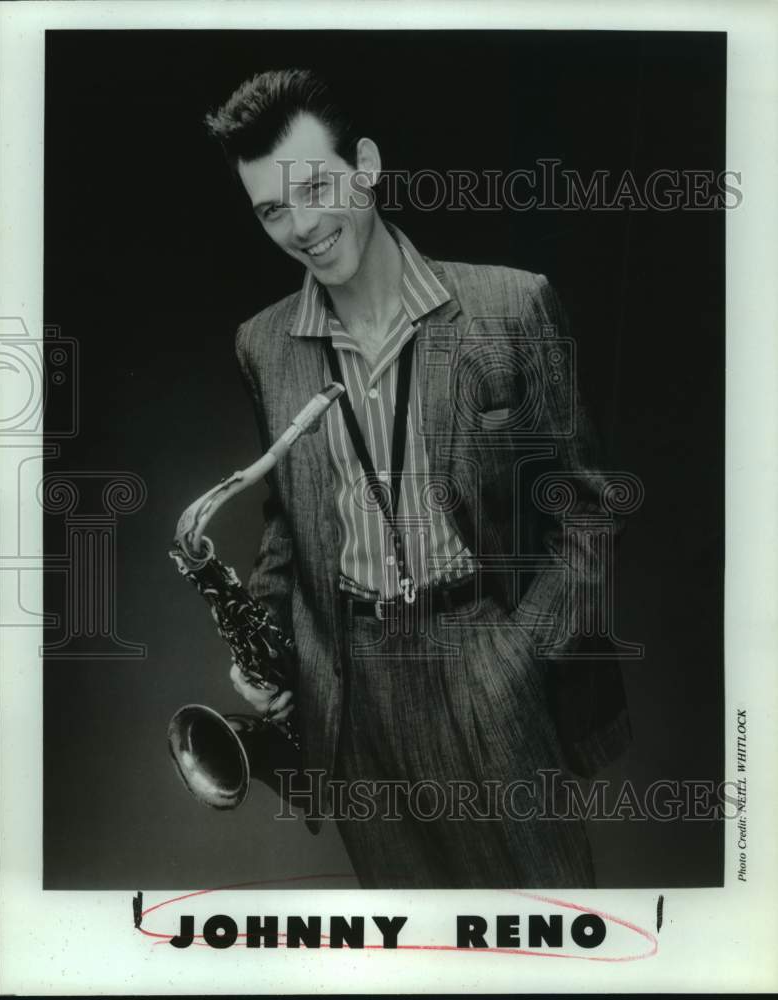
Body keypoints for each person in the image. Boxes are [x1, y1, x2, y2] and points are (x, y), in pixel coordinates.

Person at [204, 68, 631, 888]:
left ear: (365, 164)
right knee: (416, 957)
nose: (302, 226)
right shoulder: (261, 346)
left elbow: (590, 513)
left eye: (316, 187)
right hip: (351, 694)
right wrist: (264, 647)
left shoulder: (511, 307)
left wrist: (520, 659)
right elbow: (288, 522)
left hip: (484, 655)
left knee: (549, 946)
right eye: (270, 211)